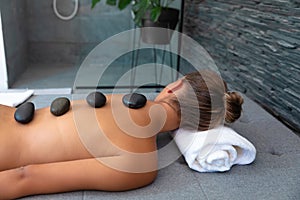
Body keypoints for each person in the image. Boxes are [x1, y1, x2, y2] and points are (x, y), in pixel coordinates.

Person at [0, 69, 243, 199]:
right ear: (196, 128)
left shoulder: (117, 99)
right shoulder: (140, 166)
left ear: (174, 87)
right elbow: (26, 177)